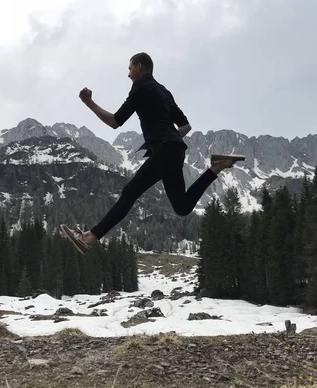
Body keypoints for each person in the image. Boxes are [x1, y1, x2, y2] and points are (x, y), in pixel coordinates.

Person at [61, 52, 244, 254]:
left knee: (130, 193)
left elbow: (115, 121)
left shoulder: (140, 87)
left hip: (165, 149)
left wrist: (89, 103)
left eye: (130, 69)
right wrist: (168, 137)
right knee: (182, 207)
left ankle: (91, 237)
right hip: (175, 150)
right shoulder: (164, 91)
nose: (128, 75)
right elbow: (186, 126)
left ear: (139, 66)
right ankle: (217, 167)